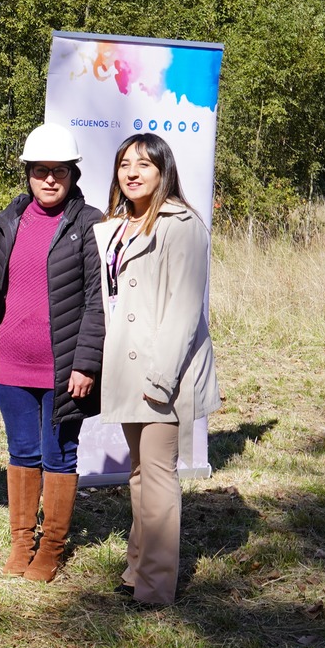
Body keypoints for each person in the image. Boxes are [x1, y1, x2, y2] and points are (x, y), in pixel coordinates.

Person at [0, 123, 104, 583]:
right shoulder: (9, 219)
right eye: (41, 170)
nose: (49, 179)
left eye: (59, 171)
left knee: (59, 455)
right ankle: (21, 541)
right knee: (22, 452)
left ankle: (51, 548)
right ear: (27, 172)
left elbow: (97, 300)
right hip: (10, 362)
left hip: (64, 367)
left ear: (73, 174)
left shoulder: (90, 224)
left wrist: (86, 362)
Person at [96, 132, 219, 606]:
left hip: (163, 374)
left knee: (159, 475)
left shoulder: (182, 225)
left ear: (163, 171)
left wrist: (161, 380)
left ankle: (154, 588)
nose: (132, 172)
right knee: (140, 473)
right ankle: (135, 570)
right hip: (128, 368)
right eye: (125, 163)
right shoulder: (119, 225)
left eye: (144, 164)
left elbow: (183, 311)